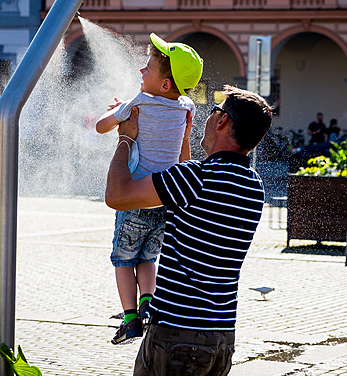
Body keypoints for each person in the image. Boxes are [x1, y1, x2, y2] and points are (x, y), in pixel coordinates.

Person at [105, 85, 272, 375]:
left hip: (176, 333)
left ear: (222, 121)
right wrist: (183, 136)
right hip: (221, 336)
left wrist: (125, 139)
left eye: (214, 111)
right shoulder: (253, 186)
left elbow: (117, 196)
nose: (208, 118)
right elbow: (187, 189)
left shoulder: (195, 179)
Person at [95, 33, 203, 345]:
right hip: (164, 201)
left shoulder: (140, 102)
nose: (142, 71)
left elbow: (100, 125)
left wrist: (118, 114)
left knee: (123, 260)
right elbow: (184, 160)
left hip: (133, 199)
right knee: (147, 259)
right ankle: (148, 304)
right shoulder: (186, 110)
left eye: (148, 68)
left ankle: (129, 319)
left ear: (165, 84)